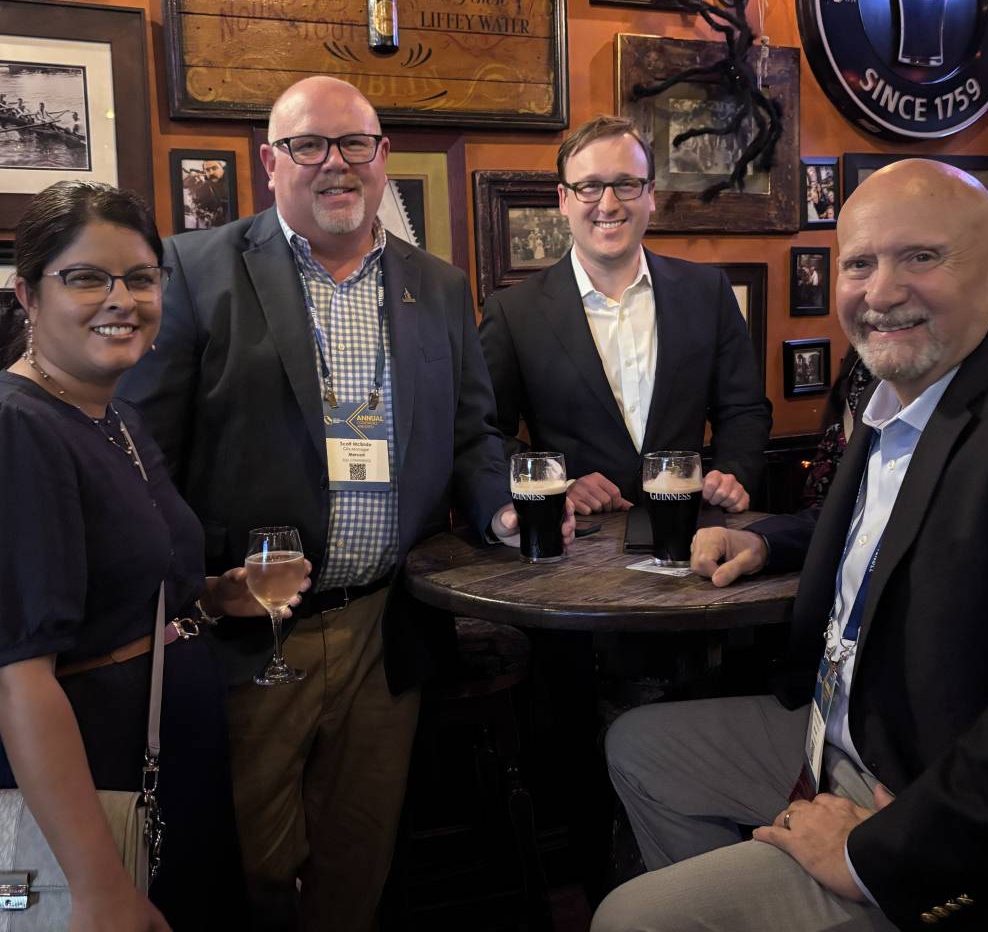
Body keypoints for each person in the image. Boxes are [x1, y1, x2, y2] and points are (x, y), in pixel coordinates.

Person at [118, 75, 570, 932]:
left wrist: (500, 510)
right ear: (270, 162)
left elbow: (473, 435)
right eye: (309, 145)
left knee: (357, 867)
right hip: (251, 635)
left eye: (355, 143)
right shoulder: (196, 270)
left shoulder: (438, 285)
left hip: (384, 629)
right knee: (249, 871)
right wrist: (191, 594)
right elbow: (147, 458)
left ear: (382, 156)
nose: (336, 163)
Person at [593, 159, 988, 931]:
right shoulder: (893, 397)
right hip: (838, 730)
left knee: (631, 919)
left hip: (923, 790)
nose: (881, 292)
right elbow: (879, 530)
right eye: (859, 264)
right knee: (639, 746)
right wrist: (766, 543)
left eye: (920, 256)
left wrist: (870, 856)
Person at [0, 180, 309, 930]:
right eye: (86, 278)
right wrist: (97, 886)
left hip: (170, 758)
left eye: (141, 278)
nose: (122, 299)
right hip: (98, 777)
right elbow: (20, 679)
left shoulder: (115, 415)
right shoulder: (19, 428)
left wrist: (216, 593)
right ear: (28, 295)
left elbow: (114, 588)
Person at [480, 115, 771, 516]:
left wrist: (733, 473)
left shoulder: (708, 292)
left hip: (691, 528)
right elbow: (485, 434)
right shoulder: (514, 312)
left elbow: (744, 410)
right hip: (579, 535)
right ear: (564, 199)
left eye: (626, 184)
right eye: (589, 186)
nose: (608, 204)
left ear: (650, 194)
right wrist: (558, 483)